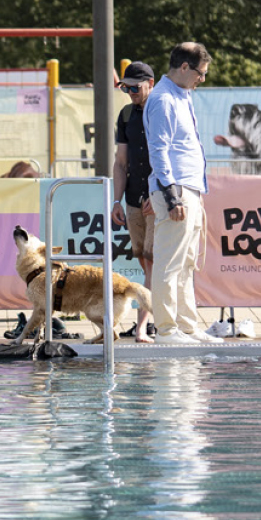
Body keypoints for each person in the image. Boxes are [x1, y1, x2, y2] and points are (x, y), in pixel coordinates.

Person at [145, 42, 217, 344]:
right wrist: (172, 196)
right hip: (175, 190)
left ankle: (188, 326)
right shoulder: (163, 100)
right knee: (168, 262)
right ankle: (165, 329)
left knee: (188, 263)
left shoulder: (182, 95)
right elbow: (158, 151)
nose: (203, 79)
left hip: (191, 188)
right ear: (184, 67)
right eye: (200, 73)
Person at [108, 60, 157, 337]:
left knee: (151, 262)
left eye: (135, 88)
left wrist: (160, 192)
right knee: (142, 260)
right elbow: (120, 162)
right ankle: (152, 319)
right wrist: (117, 201)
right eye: (125, 88)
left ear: (150, 83)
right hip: (132, 198)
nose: (130, 93)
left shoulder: (160, 111)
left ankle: (142, 327)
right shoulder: (126, 114)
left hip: (156, 198)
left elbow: (169, 157)